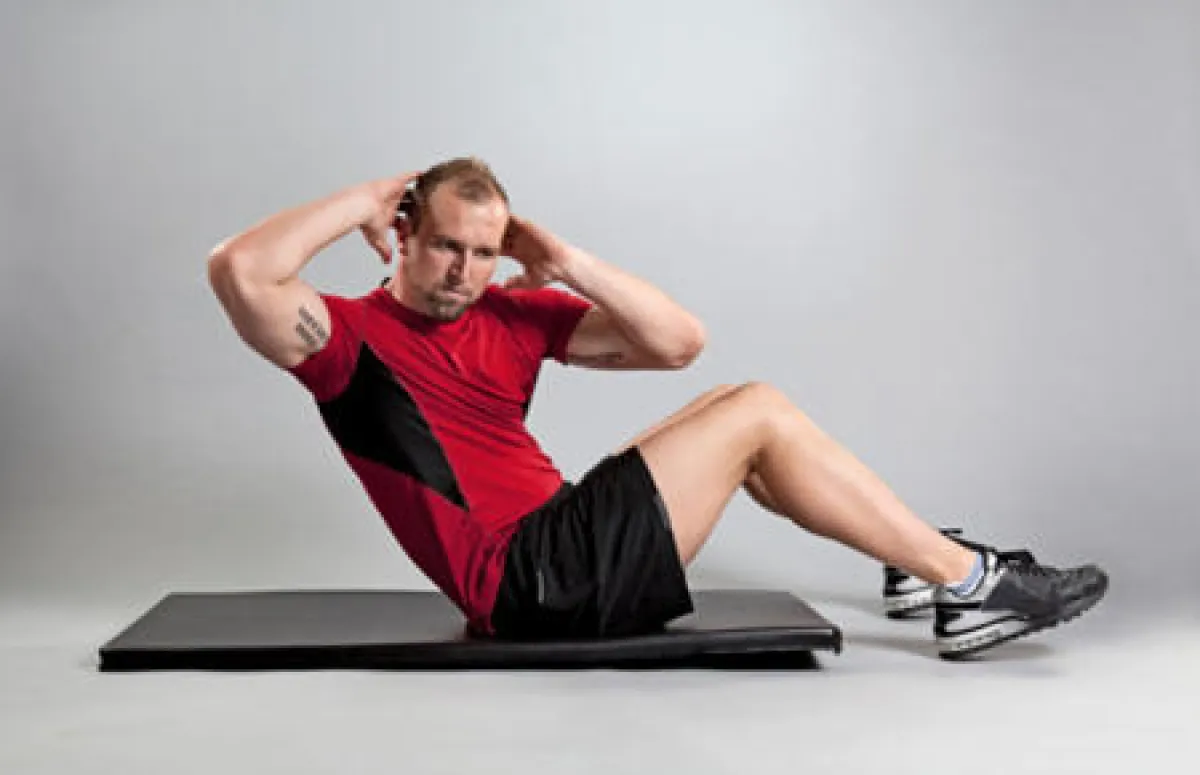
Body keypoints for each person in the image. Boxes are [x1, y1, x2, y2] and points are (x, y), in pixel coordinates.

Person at [206, 156, 1108, 660]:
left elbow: (679, 342)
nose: (466, 272)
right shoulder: (346, 344)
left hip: (560, 542)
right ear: (403, 234)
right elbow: (238, 269)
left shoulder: (511, 314)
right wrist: (361, 198)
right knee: (755, 413)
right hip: (529, 585)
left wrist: (563, 260)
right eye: (447, 246)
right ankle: (970, 585)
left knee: (727, 407)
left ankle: (914, 560)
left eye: (484, 253)